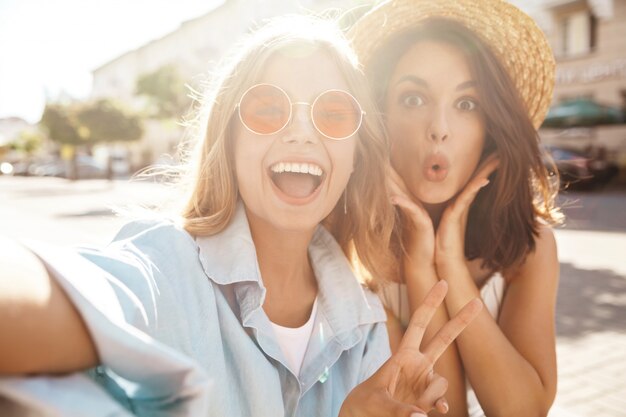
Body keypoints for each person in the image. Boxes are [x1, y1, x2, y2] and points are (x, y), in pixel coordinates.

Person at [0, 15, 482, 417]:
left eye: (333, 114)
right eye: (268, 108)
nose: (300, 132)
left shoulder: (367, 328)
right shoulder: (166, 267)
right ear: (228, 140)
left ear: (356, 155)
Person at [350, 1, 563, 416]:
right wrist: (418, 265)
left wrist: (450, 263)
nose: (439, 128)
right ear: (380, 118)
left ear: (491, 128)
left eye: (467, 104)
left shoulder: (530, 247)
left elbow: (525, 411)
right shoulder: (353, 249)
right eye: (413, 99)